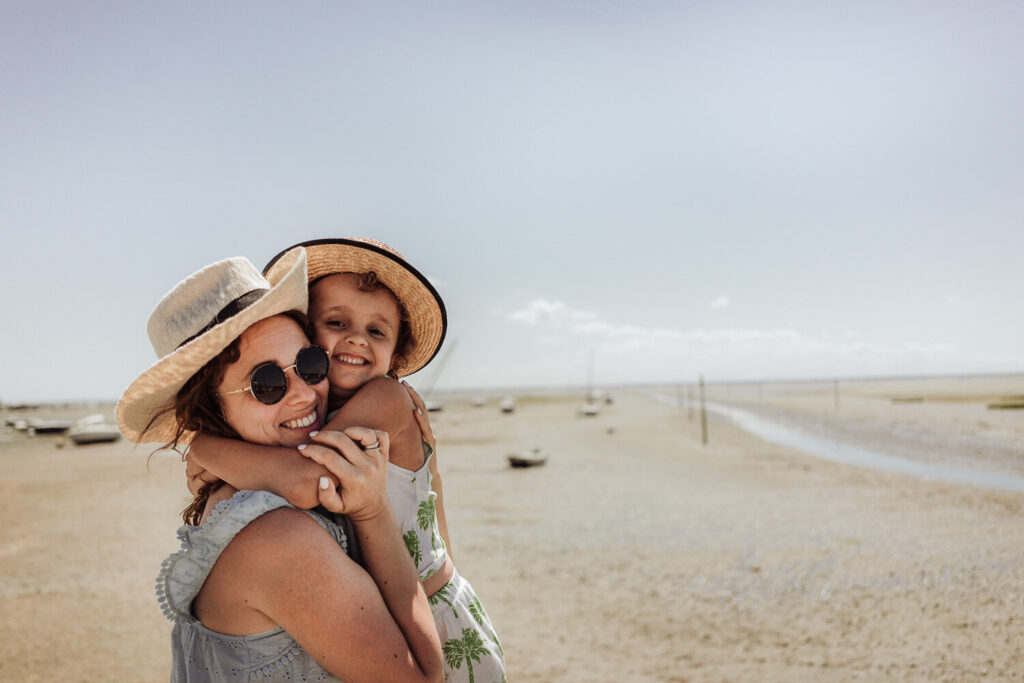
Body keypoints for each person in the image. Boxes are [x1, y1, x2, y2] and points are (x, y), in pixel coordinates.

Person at [184, 238, 507, 683]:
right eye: (337, 322)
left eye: (377, 332)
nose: (357, 338)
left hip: (435, 617)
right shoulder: (314, 424)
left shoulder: (386, 398)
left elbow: (307, 482)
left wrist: (205, 447)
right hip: (400, 610)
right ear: (308, 330)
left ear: (396, 354)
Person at [116, 247, 445, 682]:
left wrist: (205, 448)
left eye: (309, 364)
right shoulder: (277, 536)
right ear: (210, 408)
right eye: (266, 384)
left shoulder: (250, 486)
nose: (304, 394)